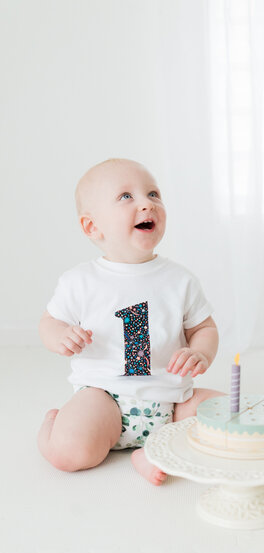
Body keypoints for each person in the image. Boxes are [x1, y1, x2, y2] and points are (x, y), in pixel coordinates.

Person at [37, 157, 223, 485]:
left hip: (173, 401)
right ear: (93, 227)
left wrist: (200, 353)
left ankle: (152, 452)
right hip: (104, 398)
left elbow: (203, 329)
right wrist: (61, 336)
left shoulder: (180, 280)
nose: (146, 204)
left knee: (231, 416)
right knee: (69, 453)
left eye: (153, 194)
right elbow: (49, 322)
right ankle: (55, 426)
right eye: (126, 197)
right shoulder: (80, 281)